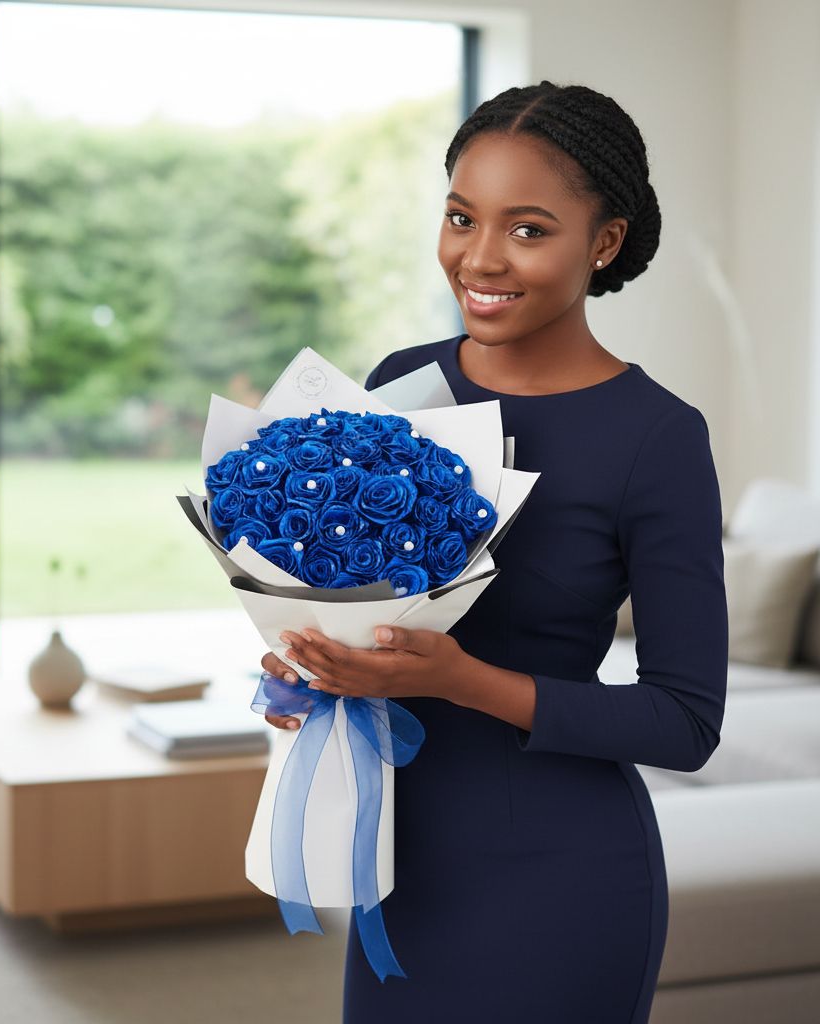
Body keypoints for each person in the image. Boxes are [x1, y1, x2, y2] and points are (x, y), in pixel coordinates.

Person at [260, 79, 728, 1023]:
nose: (479, 258)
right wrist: (314, 665)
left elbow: (685, 722)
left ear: (605, 242)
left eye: (527, 229)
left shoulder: (656, 436)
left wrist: (456, 679)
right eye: (461, 217)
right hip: (399, 850)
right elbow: (351, 587)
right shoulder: (405, 383)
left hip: (560, 872)